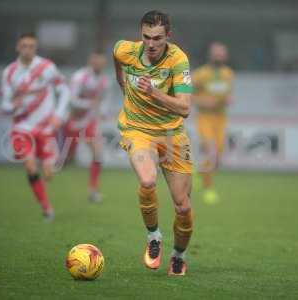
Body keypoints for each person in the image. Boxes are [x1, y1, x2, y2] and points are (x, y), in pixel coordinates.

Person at [113, 10, 193, 276]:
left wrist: (154, 92)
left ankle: (179, 256)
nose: (151, 43)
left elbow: (184, 108)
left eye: (157, 38)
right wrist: (121, 81)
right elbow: (116, 54)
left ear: (168, 36)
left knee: (183, 206)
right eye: (146, 37)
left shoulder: (178, 60)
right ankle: (154, 236)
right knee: (147, 181)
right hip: (137, 130)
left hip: (172, 135)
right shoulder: (127, 51)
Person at [1, 32, 70, 219]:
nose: (27, 49)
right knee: (30, 166)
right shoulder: (9, 72)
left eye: (31, 46)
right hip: (22, 127)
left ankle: (47, 174)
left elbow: (64, 90)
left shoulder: (46, 68)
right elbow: (5, 104)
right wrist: (11, 106)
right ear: (18, 47)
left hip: (46, 128)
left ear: (35, 48)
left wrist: (59, 115)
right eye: (24, 46)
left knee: (48, 173)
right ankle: (46, 208)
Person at [63, 52, 109, 203]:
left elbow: (101, 101)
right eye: (96, 61)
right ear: (91, 61)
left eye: (101, 61)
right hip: (72, 122)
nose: (99, 64)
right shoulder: (79, 77)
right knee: (66, 159)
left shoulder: (104, 81)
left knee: (97, 153)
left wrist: (102, 112)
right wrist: (90, 104)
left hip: (89, 121)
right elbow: (72, 101)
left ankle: (93, 190)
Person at [192, 42, 234, 204]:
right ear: (210, 55)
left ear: (225, 56)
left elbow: (226, 95)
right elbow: (187, 94)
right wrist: (203, 101)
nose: (219, 56)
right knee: (211, 151)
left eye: (221, 53)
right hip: (205, 118)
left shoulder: (229, 74)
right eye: (216, 53)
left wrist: (228, 99)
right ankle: (209, 190)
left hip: (221, 119)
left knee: (217, 159)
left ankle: (198, 170)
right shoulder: (200, 74)